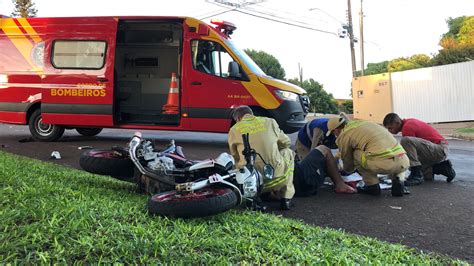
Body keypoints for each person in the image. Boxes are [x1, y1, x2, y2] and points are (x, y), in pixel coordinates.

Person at [228, 106, 295, 210]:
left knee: (237, 163)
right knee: (288, 152)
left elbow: (235, 155)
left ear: (237, 119)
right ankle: (286, 198)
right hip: (277, 177)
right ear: (252, 114)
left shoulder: (234, 129)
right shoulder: (270, 122)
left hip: (251, 182)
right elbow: (287, 143)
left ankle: (260, 194)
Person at [327, 115, 410, 197]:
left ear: (336, 130)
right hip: (403, 160)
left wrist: (346, 171)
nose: (335, 135)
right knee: (392, 154)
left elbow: (346, 157)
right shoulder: (363, 123)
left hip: (384, 164)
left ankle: (372, 185)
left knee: (355, 153)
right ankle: (399, 179)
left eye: (333, 133)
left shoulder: (344, 135)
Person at [382, 113, 456, 185]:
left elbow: (406, 154)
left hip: (440, 149)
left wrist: (393, 169)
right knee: (418, 168)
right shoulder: (408, 123)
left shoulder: (407, 126)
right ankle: (443, 168)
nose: (389, 131)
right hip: (438, 150)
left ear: (397, 123)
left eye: (390, 128)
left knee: (406, 142)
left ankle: (416, 176)